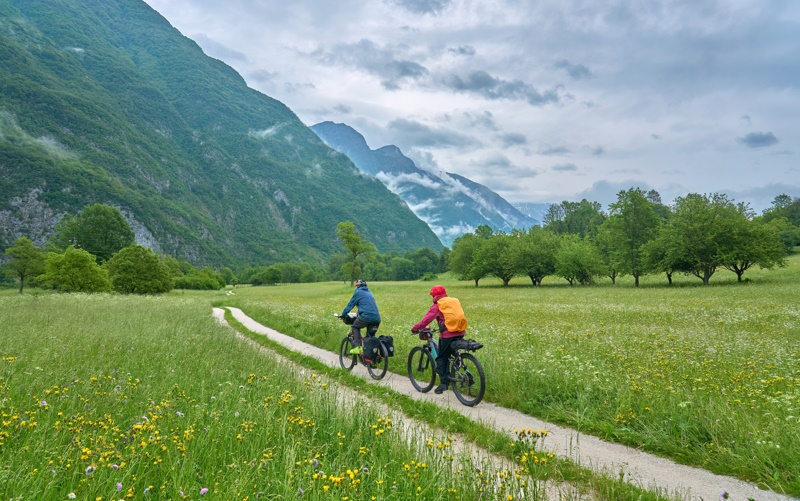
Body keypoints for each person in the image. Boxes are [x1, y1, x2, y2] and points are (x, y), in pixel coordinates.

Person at [411, 285, 465, 394]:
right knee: (452, 354)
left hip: (447, 335)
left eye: (432, 296)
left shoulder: (438, 305)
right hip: (460, 331)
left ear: (435, 296)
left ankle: (443, 384)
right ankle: (460, 368)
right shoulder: (452, 301)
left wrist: (415, 329)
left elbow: (425, 321)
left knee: (441, 357)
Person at [341, 279, 381, 355]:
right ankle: (371, 358)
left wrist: (343, 314)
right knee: (369, 339)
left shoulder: (358, 293)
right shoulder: (369, 293)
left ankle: (357, 348)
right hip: (377, 318)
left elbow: (350, 305)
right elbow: (366, 306)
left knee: (355, 327)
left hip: (366, 317)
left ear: (358, 286)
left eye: (356, 286)